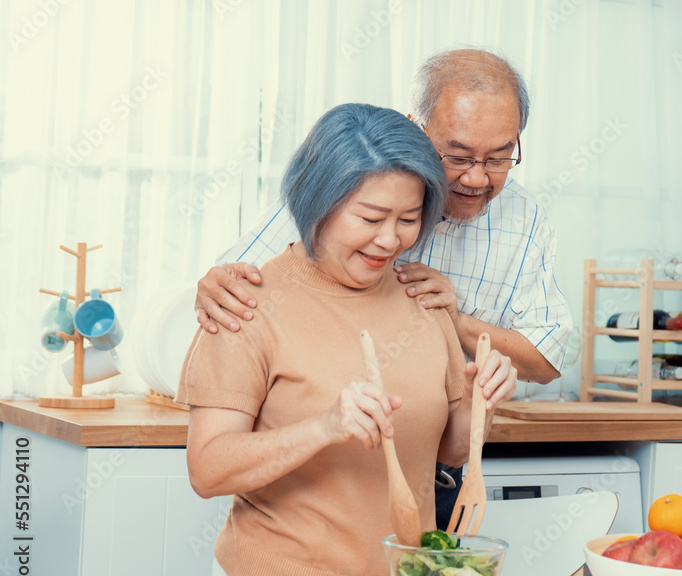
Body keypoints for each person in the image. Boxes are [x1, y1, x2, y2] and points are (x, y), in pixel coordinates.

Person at [193, 48, 572, 528]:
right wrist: (208, 285)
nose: (477, 177)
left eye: (499, 158)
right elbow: (242, 286)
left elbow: (546, 358)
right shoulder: (354, 177)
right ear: (417, 129)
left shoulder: (523, 217)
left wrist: (454, 323)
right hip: (309, 488)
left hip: (430, 473)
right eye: (457, 156)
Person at [176, 103, 518, 576]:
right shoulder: (243, 305)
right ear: (318, 201)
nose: (389, 239)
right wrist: (323, 427)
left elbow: (447, 449)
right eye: (370, 217)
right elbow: (207, 470)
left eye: (408, 219)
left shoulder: (424, 297)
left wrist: (482, 400)